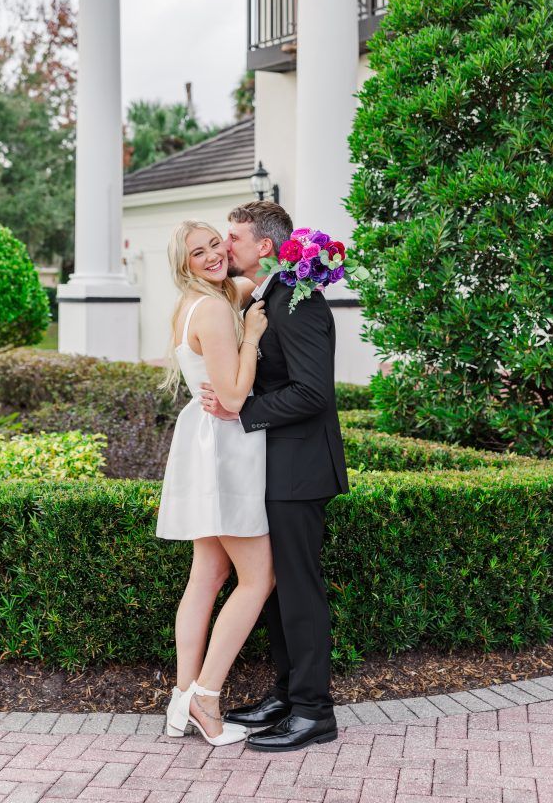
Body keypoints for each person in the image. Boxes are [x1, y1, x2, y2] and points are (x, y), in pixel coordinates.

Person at [201, 200, 349, 753]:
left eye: (233, 238)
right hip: (274, 467)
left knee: (299, 590)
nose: (225, 246)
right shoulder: (270, 295)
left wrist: (243, 410)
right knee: (277, 590)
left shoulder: (300, 302)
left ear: (265, 246)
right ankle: (286, 696)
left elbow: (314, 392)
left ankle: (314, 712)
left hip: (300, 470)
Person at [157, 220, 275, 747]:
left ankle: (181, 698)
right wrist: (251, 337)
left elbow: (255, 280)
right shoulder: (213, 311)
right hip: (225, 446)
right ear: (184, 265)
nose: (211, 256)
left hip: (203, 443)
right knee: (259, 578)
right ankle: (206, 697)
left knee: (206, 575)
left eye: (215, 244)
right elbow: (231, 395)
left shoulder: (199, 301)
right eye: (197, 252)